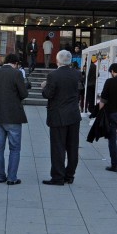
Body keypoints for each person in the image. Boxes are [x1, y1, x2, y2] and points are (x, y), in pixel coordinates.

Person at [0, 53, 28, 185]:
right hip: (13, 116)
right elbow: (24, 93)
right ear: (15, 64)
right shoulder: (17, 74)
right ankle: (12, 177)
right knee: (14, 148)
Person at [41, 50, 82, 185]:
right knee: (72, 147)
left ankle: (58, 176)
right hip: (74, 115)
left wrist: (44, 86)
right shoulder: (77, 74)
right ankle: (70, 175)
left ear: (57, 61)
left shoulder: (53, 75)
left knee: (58, 147)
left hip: (58, 115)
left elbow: (48, 94)